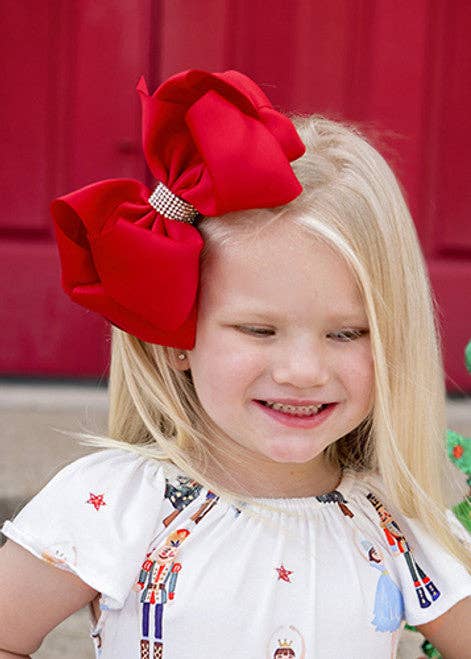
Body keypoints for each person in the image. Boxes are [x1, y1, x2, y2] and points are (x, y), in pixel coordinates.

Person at [0, 68, 470, 659]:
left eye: (348, 332)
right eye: (258, 330)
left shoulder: (396, 521)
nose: (303, 370)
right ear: (176, 337)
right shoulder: (116, 505)